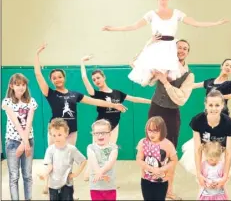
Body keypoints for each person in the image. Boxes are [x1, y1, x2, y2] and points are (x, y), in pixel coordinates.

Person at [34, 43, 126, 194]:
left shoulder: (74, 94)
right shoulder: (50, 93)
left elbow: (95, 101)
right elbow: (38, 75)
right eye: (54, 78)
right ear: (51, 80)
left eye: (59, 76)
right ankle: (49, 185)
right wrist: (37, 55)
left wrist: (115, 106)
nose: (57, 79)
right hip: (55, 131)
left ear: (64, 78)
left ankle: (68, 189)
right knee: (52, 158)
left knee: (68, 160)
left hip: (71, 132)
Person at [102, 0, 228, 86]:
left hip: (171, 46)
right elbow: (133, 26)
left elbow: (195, 23)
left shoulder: (176, 13)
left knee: (170, 77)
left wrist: (216, 23)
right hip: (156, 45)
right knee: (147, 77)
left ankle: (161, 83)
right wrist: (112, 28)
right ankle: (152, 77)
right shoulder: (151, 14)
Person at [145, 38, 194, 200]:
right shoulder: (163, 65)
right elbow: (147, 81)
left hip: (172, 114)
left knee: (170, 152)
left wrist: (165, 81)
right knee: (152, 149)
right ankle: (152, 185)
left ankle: (169, 190)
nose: (181, 50)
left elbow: (180, 99)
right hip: (155, 109)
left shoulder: (188, 75)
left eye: (185, 48)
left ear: (187, 53)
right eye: (178, 47)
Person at [81, 55, 151, 144]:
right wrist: (82, 61)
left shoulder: (117, 93)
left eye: (98, 78)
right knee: (97, 151)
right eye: (94, 80)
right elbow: (84, 77)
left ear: (104, 77)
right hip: (100, 127)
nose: (96, 81)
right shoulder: (96, 94)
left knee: (111, 150)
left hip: (114, 125)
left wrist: (151, 101)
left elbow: (134, 99)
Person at [180, 90, 231, 198]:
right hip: (205, 153)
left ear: (222, 106)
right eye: (210, 105)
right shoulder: (198, 120)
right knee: (203, 186)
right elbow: (197, 149)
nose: (213, 108)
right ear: (205, 105)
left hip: (221, 155)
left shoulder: (229, 123)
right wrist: (199, 174)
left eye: (217, 105)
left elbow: (228, 152)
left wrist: (225, 176)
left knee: (221, 187)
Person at [2, 73, 38, 200]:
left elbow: (28, 124)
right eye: (18, 85)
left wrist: (25, 144)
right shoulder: (6, 102)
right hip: (12, 142)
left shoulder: (31, 101)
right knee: (14, 176)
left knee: (27, 175)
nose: (21, 87)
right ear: (11, 86)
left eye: (23, 84)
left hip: (28, 141)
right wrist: (24, 143)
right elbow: (16, 123)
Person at [193, 43, 231, 115]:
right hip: (208, 114)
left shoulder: (229, 84)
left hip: (222, 115)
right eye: (227, 65)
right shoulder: (209, 82)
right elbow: (193, 85)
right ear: (221, 66)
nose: (228, 67)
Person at [38, 118, 87, 201]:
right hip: (53, 185)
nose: (57, 138)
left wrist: (75, 174)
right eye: (54, 135)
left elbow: (83, 161)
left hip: (67, 184)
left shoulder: (71, 149)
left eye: (59, 135)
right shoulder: (50, 149)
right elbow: (50, 166)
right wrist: (44, 173)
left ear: (66, 133)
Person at [136, 116, 178, 201]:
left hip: (162, 181)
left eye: (155, 131)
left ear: (162, 131)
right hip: (146, 180)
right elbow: (139, 159)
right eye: (150, 131)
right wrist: (151, 169)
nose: (152, 134)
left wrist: (162, 169)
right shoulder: (143, 142)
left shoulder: (168, 144)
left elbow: (174, 160)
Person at [87, 119, 118, 201]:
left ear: (110, 134)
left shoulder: (113, 147)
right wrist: (98, 172)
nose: (100, 136)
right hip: (95, 186)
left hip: (109, 185)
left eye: (103, 133)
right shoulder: (91, 147)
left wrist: (100, 172)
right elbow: (93, 162)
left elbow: (110, 162)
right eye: (97, 133)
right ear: (93, 134)